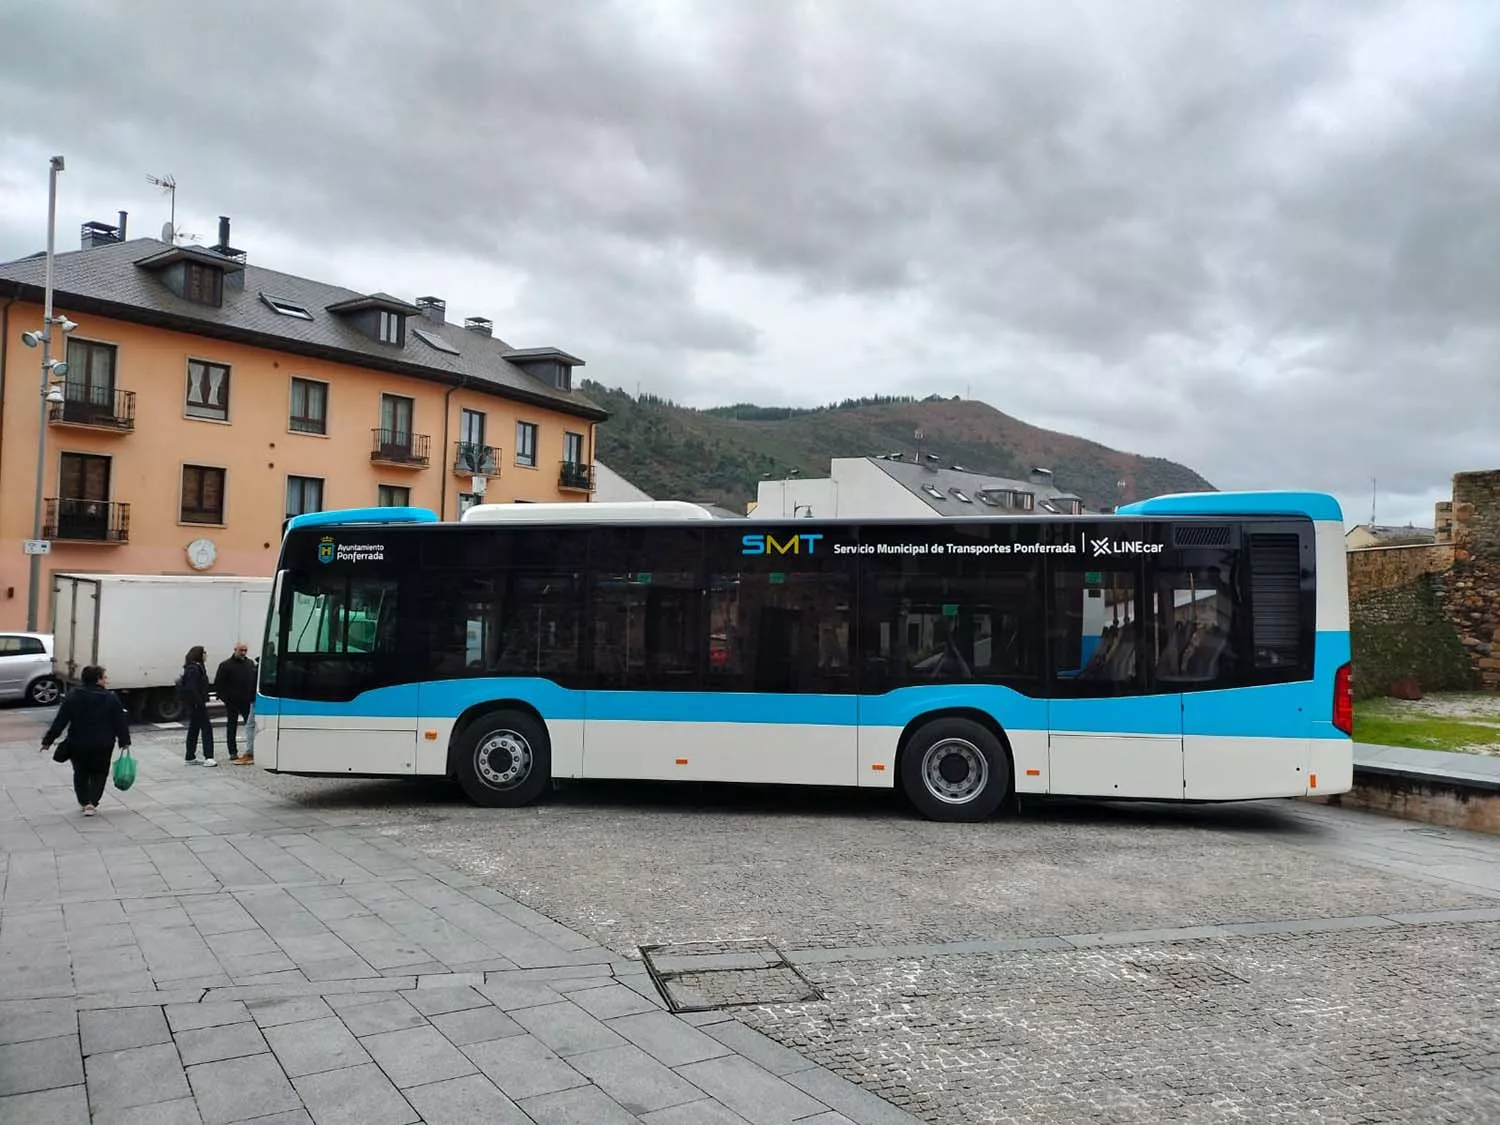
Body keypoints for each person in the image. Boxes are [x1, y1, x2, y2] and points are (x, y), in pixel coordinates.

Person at [39, 665, 131, 816]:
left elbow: (60, 721)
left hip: (78, 742)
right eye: (104, 677)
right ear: (98, 679)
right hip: (103, 743)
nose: (106, 680)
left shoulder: (73, 696)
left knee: (80, 773)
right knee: (99, 773)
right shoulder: (110, 698)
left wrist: (48, 741)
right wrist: (124, 741)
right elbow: (119, 722)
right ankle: (92, 802)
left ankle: (84, 802)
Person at [213, 641, 258, 763]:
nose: (243, 652)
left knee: (250, 726)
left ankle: (251, 750)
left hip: (247, 700)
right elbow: (219, 684)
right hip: (232, 701)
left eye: (245, 650)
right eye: (241, 650)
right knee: (232, 726)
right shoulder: (226, 665)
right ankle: (233, 751)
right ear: (235, 650)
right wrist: (226, 699)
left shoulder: (250, 663)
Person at [180, 645, 216, 766]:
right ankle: (209, 756)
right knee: (206, 728)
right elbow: (192, 687)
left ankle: (190, 756)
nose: (206, 655)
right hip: (197, 703)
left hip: (195, 703)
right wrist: (198, 702)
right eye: (204, 652)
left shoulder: (194, 667)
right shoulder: (194, 669)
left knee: (194, 728)